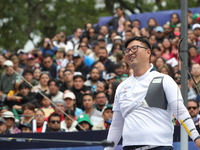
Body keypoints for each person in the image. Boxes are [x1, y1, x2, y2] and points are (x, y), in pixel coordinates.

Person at [105, 36, 200, 150]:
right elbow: (116, 125)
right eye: (127, 50)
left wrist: (196, 137)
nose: (130, 52)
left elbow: (180, 111)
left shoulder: (165, 80)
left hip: (159, 146)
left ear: (148, 52)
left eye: (134, 48)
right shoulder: (121, 87)